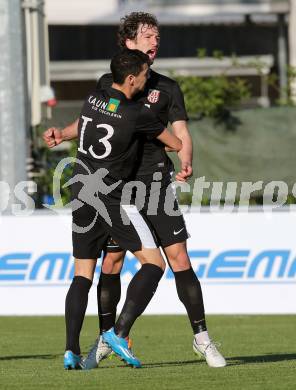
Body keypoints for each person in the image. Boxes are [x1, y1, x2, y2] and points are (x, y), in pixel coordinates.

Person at [43, 12, 226, 369]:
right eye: (146, 35)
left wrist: (187, 160)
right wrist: (63, 134)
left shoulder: (168, 87)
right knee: (111, 262)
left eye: (156, 35)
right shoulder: (111, 82)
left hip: (155, 183)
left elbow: (181, 134)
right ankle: (109, 337)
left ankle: (202, 339)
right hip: (119, 190)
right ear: (129, 43)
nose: (154, 41)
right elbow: (89, 121)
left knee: (179, 259)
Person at [62, 49, 182, 369]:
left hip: (80, 189)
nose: (146, 79)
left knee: (82, 275)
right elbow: (175, 143)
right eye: (144, 74)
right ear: (131, 79)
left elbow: (94, 119)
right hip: (112, 197)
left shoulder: (93, 99)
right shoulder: (137, 113)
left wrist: (61, 133)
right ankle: (116, 333)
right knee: (154, 264)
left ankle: (70, 350)